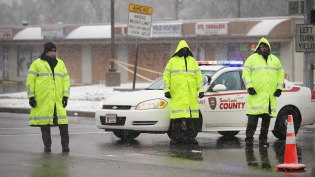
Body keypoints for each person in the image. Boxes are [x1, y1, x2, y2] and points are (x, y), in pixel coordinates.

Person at [26, 42, 70, 153]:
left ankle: (65, 146)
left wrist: (65, 96)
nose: (53, 53)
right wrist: (31, 97)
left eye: (54, 51)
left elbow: (66, 81)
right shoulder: (37, 64)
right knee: (45, 124)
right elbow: (30, 82)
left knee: (63, 123)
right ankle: (47, 147)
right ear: (46, 51)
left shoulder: (60, 63)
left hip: (57, 100)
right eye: (51, 51)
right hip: (43, 100)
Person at [242, 37, 284, 147]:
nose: (264, 48)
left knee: (266, 121)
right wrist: (249, 86)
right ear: (259, 47)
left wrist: (279, 88)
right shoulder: (251, 59)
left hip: (269, 97)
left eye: (265, 47)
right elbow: (245, 73)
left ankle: (263, 140)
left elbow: (280, 74)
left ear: (268, 47)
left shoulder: (275, 60)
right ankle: (249, 140)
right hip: (256, 95)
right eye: (262, 47)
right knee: (252, 121)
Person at [163, 40, 205, 145]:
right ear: (179, 50)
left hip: (191, 96)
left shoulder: (193, 61)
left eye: (186, 49)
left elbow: (198, 78)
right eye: (183, 49)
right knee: (177, 120)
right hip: (178, 96)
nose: (184, 51)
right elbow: (166, 76)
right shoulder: (172, 62)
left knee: (191, 121)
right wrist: (166, 90)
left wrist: (201, 90)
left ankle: (190, 138)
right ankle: (175, 139)